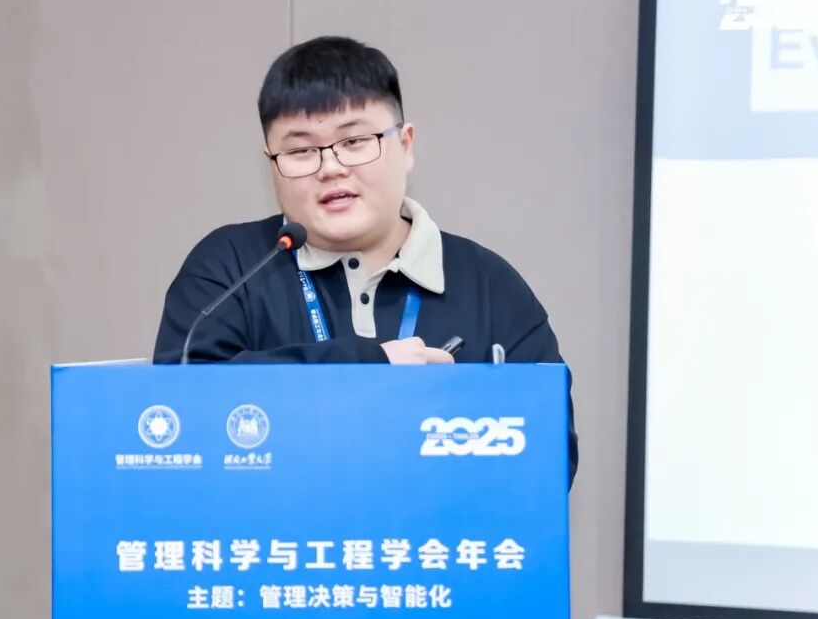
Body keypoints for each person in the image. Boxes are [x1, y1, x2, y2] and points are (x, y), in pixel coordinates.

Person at [153, 36, 577, 487]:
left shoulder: (489, 286)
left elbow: (549, 460)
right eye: (300, 151)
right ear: (271, 163)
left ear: (405, 145)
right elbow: (180, 413)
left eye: (355, 141)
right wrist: (368, 367)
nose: (330, 168)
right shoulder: (231, 268)